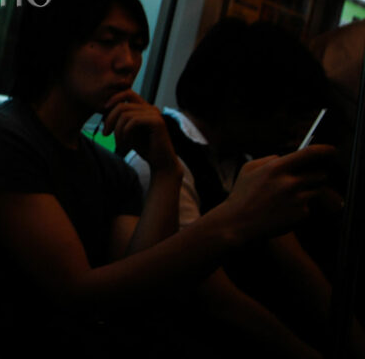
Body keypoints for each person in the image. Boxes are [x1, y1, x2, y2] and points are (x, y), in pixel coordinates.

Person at [0, 0, 339, 358]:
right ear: (57, 44)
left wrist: (166, 170)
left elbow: (140, 287)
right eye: (108, 41)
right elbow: (79, 292)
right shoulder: (5, 138)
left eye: (138, 47)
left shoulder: (113, 171)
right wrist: (234, 219)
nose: (128, 62)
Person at [128, 19, 363, 358]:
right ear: (243, 103)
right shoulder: (164, 161)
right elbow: (212, 295)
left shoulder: (242, 163)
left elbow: (297, 267)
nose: (293, 131)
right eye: (289, 113)